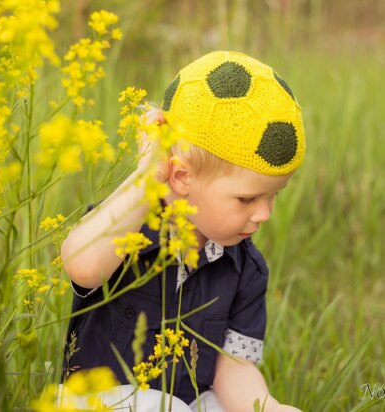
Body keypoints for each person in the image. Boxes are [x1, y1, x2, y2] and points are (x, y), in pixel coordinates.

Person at [60, 51, 305, 411]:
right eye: (247, 198)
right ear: (181, 176)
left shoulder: (246, 269)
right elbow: (81, 265)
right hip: (102, 399)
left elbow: (232, 367)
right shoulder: (126, 226)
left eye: (273, 197)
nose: (264, 214)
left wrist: (266, 406)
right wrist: (148, 176)